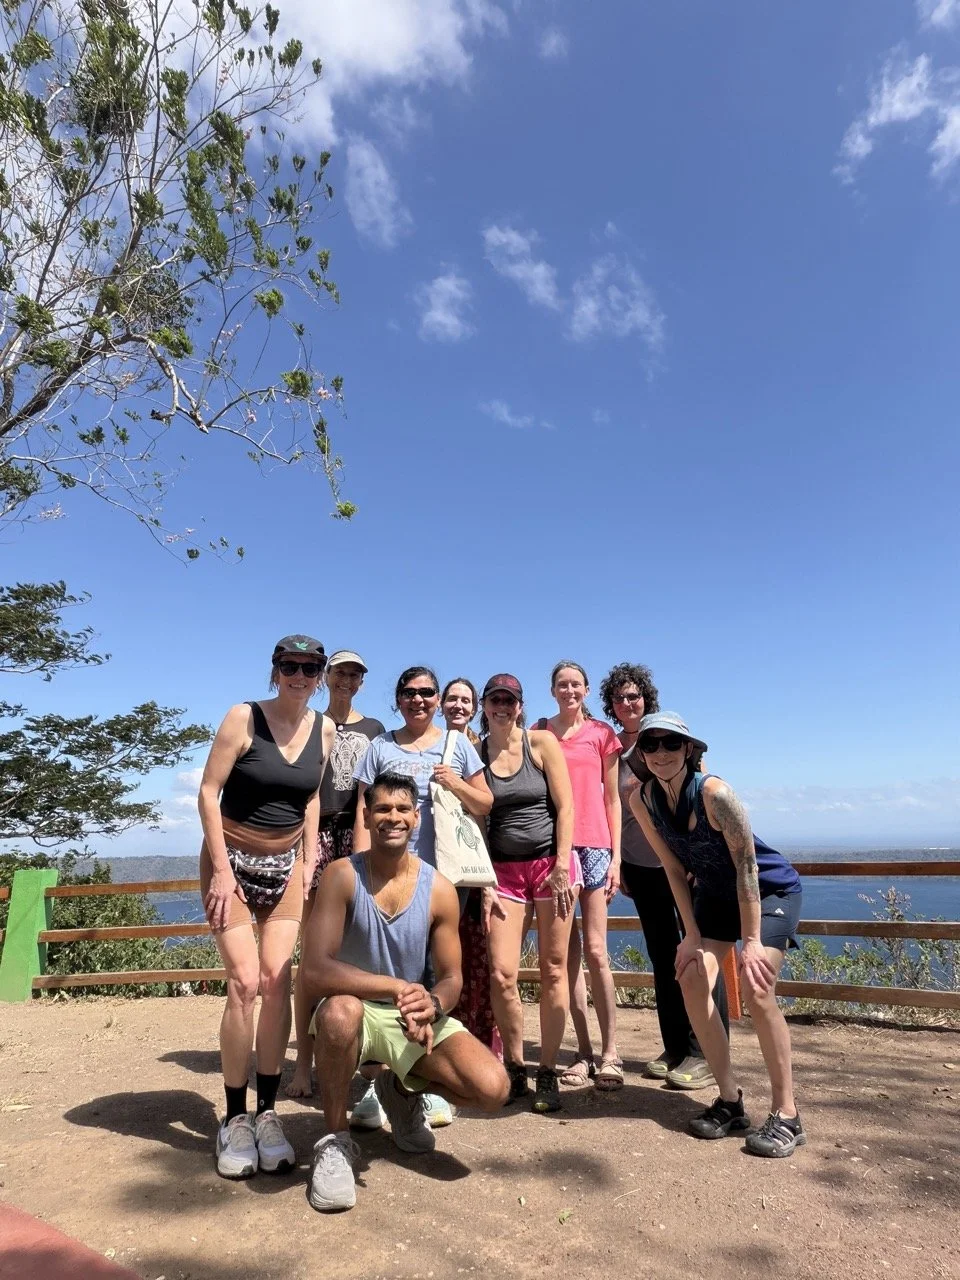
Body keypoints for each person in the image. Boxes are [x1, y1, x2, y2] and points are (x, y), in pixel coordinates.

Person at [300, 772, 509, 1212]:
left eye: (401, 809)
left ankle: (401, 1091)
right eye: (381, 809)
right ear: (366, 815)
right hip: (354, 1009)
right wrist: (397, 986)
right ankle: (335, 1142)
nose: (391, 818)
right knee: (339, 1013)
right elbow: (315, 971)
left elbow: (452, 978)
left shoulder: (440, 889)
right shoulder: (341, 877)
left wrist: (432, 1004)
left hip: (409, 1018)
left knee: (493, 1089)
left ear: (416, 817)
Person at [630, 711, 806, 1157]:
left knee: (757, 985)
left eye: (671, 743)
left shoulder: (715, 794)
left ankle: (788, 1114)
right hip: (714, 895)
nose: (661, 753)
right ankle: (730, 1100)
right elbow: (673, 868)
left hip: (768, 891)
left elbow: (747, 866)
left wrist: (751, 942)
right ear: (642, 754)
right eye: (651, 745)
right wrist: (689, 935)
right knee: (689, 975)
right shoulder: (642, 799)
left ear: (690, 749)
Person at [197, 634, 335, 1179]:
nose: (300, 676)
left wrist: (309, 856)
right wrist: (224, 872)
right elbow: (209, 792)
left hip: (286, 868)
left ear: (320, 674)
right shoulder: (243, 717)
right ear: (274, 669)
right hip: (230, 859)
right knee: (244, 983)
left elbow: (313, 797)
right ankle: (233, 1119)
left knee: (280, 980)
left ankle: (268, 1112)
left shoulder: (323, 728)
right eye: (290, 665)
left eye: (310, 667)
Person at [352, 665, 493, 1128]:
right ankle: (374, 1083)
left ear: (436, 698)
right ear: (398, 698)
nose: (419, 699)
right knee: (378, 977)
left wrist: (454, 782)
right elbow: (362, 812)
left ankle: (419, 1083)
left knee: (434, 979)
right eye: (409, 692)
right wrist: (356, 872)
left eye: (427, 692)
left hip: (441, 882)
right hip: (382, 876)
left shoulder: (458, 745)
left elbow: (486, 803)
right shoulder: (380, 748)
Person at [600, 663, 728, 1090]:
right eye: (619, 698)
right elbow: (612, 807)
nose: (627, 703)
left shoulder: (670, 736)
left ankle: (705, 1051)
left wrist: (701, 858)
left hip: (683, 865)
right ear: (612, 705)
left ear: (646, 698)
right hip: (641, 864)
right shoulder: (615, 750)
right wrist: (620, 863)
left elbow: (702, 791)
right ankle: (675, 1047)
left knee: (700, 952)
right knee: (663, 957)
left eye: (633, 696)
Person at [287, 650, 384, 1099]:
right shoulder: (310, 723)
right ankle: (303, 1064)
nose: (347, 679)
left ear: (362, 682)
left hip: (359, 834)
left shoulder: (375, 731)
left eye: (355, 673)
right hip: (317, 835)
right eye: (341, 671)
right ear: (327, 677)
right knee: (311, 954)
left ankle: (363, 1062)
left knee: (360, 950)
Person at [480, 674, 578, 1112]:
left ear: (520, 705)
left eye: (510, 700)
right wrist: (481, 877)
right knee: (502, 974)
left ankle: (548, 1071)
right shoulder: (475, 751)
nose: (502, 706)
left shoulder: (540, 744)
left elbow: (566, 805)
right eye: (495, 699)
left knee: (555, 970)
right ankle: (517, 1068)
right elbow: (472, 818)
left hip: (549, 866)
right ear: (486, 705)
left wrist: (561, 863)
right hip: (502, 871)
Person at [538, 660, 623, 1089]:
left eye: (576, 684)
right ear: (552, 690)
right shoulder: (540, 731)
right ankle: (584, 1052)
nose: (569, 690)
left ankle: (612, 1053)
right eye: (561, 684)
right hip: (555, 850)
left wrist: (616, 858)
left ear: (586, 690)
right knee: (565, 958)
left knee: (595, 950)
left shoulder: (602, 735)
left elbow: (613, 800)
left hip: (595, 845)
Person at [440, 676, 499, 1056]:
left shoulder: (483, 747)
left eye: (466, 700)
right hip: (438, 863)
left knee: (477, 954)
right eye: (452, 699)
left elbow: (486, 808)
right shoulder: (427, 743)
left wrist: (488, 875)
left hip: (474, 863)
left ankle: (478, 1043)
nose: (458, 706)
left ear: (475, 709)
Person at [441, 676, 482, 746]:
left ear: (473, 710)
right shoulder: (431, 747)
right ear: (442, 705)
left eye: (465, 701)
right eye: (452, 699)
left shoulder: (481, 751)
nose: (458, 706)